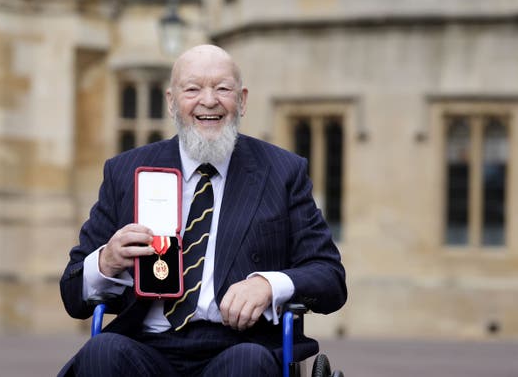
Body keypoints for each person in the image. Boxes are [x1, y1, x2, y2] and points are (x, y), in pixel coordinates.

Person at [58, 44, 347, 377]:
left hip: (239, 344)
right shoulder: (125, 172)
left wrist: (270, 285)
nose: (208, 101)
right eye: (193, 89)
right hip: (146, 344)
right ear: (171, 101)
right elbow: (72, 294)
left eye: (222, 88)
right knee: (102, 352)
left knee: (247, 364)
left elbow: (330, 277)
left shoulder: (283, 172)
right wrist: (105, 262)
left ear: (242, 100)